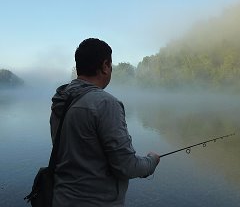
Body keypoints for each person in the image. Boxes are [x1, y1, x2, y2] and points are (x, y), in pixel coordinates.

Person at [49, 38, 160, 207]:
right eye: (111, 65)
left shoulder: (61, 100)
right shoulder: (105, 104)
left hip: (60, 199)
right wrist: (151, 161)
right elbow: (126, 166)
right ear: (105, 65)